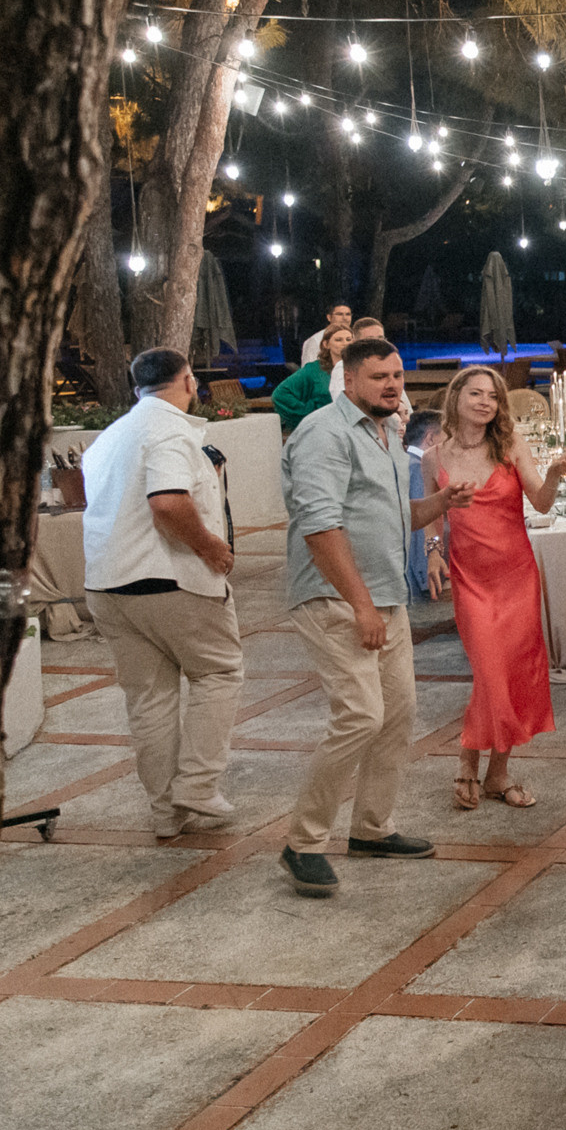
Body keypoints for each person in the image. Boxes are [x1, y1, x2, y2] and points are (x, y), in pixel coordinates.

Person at [278, 339, 475, 899]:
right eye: (379, 377)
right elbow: (320, 527)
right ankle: (303, 843)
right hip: (335, 597)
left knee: (397, 714)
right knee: (361, 714)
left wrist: (442, 504)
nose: (392, 385)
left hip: (385, 595)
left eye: (397, 376)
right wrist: (361, 606)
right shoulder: (323, 432)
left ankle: (371, 828)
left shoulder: (388, 432)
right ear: (347, 379)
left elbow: (394, 515)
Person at [81, 347, 242, 839]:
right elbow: (168, 503)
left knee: (149, 698)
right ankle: (196, 784)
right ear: (190, 381)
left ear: (136, 388)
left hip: (107, 584)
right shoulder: (169, 428)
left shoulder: (110, 436)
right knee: (219, 671)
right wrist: (211, 547)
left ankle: (165, 810)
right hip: (169, 578)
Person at [423, 366, 566, 810]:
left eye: (493, 396)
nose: (485, 402)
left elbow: (542, 502)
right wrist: (433, 550)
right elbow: (433, 513)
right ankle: (469, 764)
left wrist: (558, 471)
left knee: (512, 673)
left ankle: (495, 773)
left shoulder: (509, 446)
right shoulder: (434, 457)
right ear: (457, 398)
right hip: (470, 578)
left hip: (516, 575)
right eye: (476, 394)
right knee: (489, 671)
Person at [272, 324, 352, 433]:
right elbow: (281, 394)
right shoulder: (314, 370)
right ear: (326, 344)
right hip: (323, 430)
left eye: (348, 339)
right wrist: (308, 413)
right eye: (338, 340)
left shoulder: (359, 368)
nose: (345, 343)